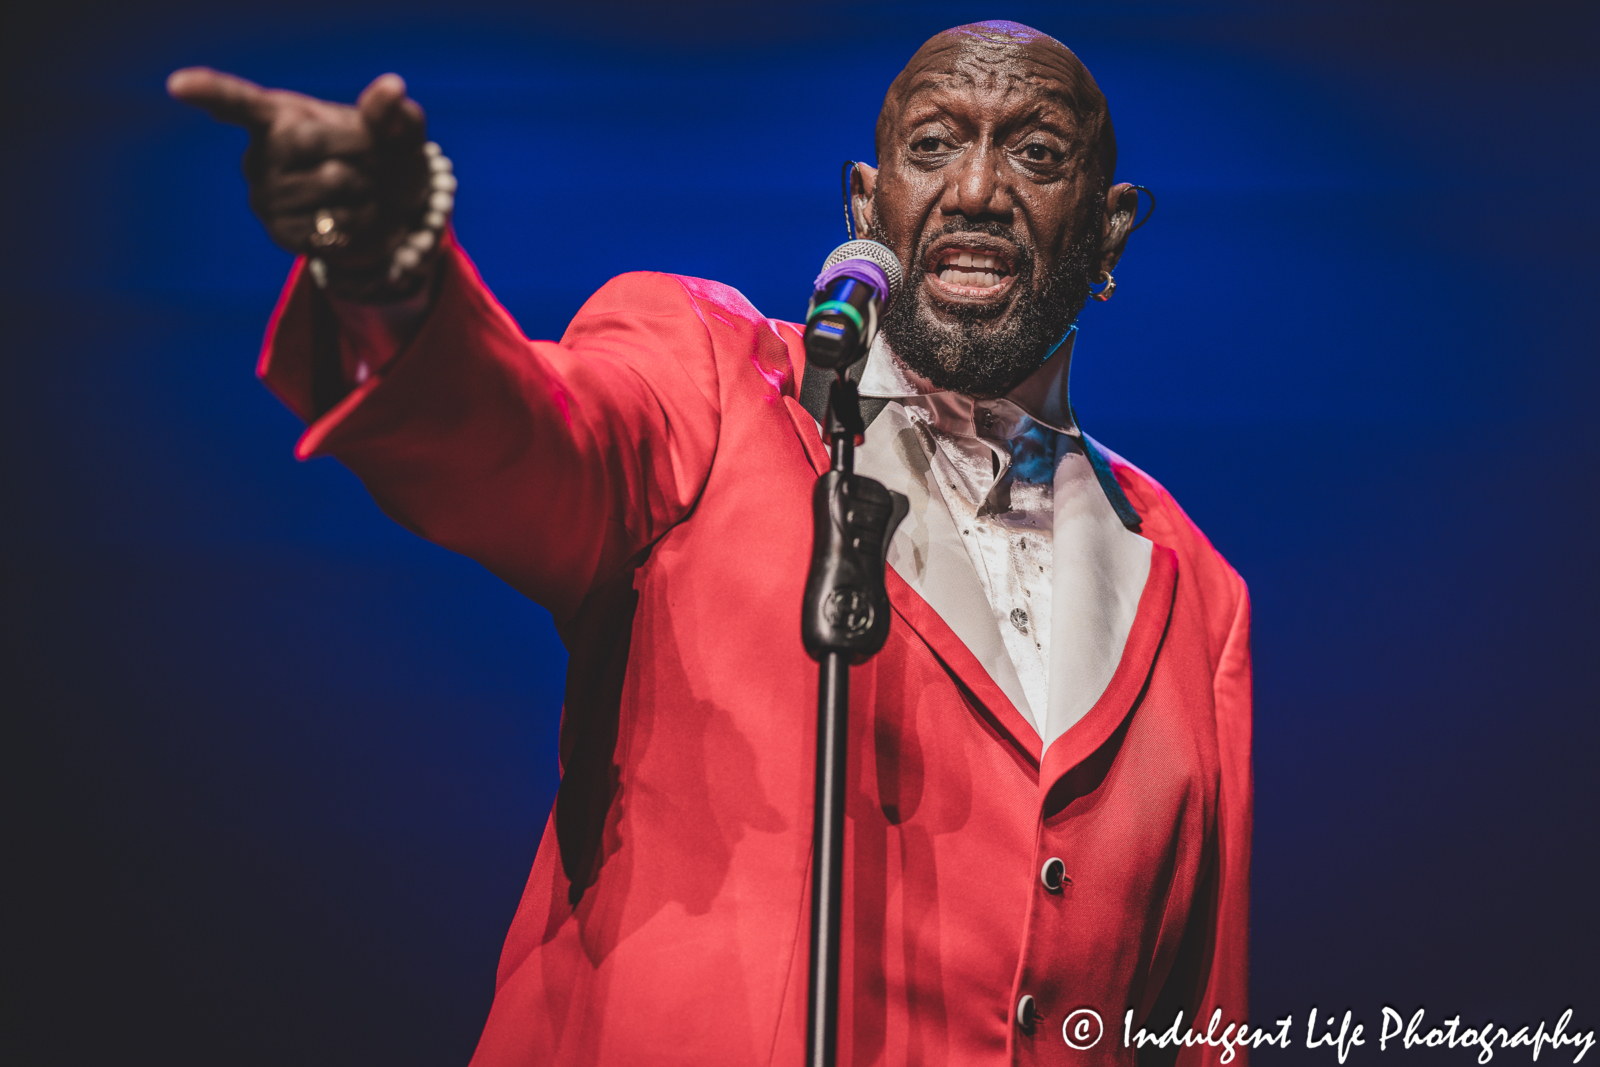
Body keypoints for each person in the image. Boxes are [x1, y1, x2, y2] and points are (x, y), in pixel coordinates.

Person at [170, 20, 1251, 1067]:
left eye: (1036, 153)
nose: (975, 190)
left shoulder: (1189, 588)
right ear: (865, 204)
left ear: (1110, 229)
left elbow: (1200, 1018)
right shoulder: (712, 381)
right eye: (932, 146)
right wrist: (389, 270)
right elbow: (521, 439)